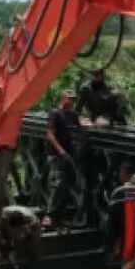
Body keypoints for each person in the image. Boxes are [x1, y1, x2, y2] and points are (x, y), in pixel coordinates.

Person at [44, 91, 80, 227]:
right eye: (70, 99)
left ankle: (61, 216)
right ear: (63, 98)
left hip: (69, 155)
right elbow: (49, 134)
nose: (72, 102)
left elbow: (79, 128)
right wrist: (60, 151)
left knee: (68, 184)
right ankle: (49, 215)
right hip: (57, 154)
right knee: (57, 183)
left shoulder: (73, 115)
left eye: (73, 100)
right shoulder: (55, 113)